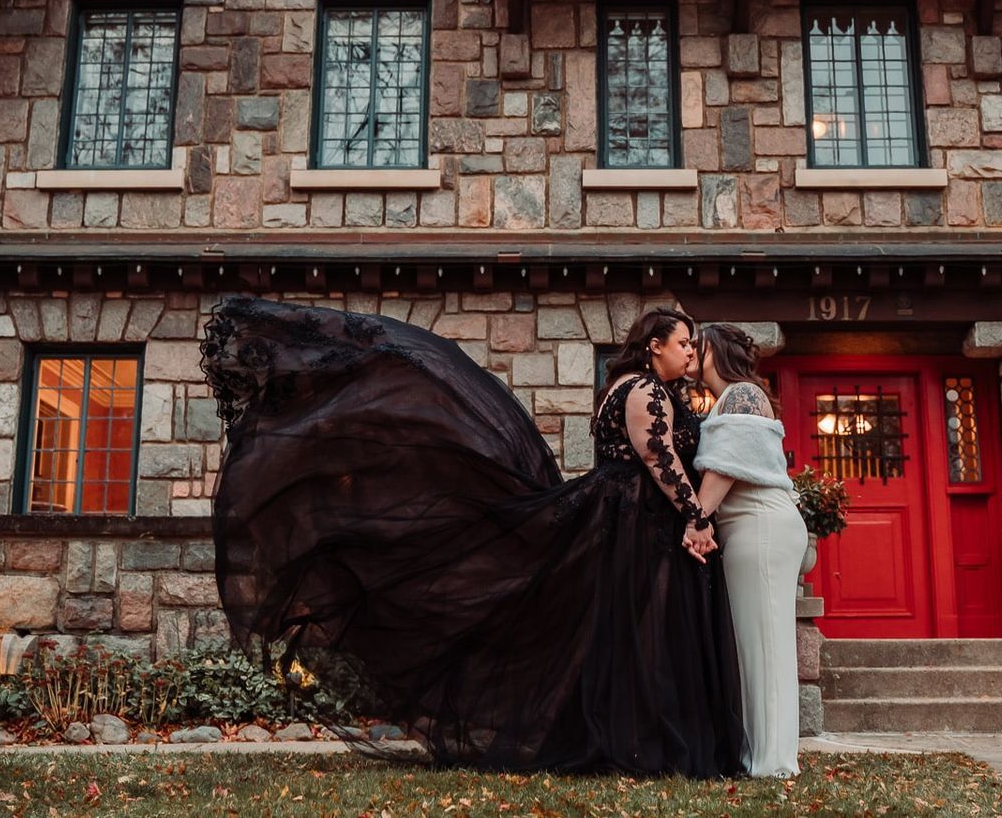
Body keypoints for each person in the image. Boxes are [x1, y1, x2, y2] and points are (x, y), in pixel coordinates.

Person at [201, 297, 745, 776]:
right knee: (638, 630)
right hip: (636, 520)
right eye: (683, 344)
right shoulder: (644, 390)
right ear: (654, 346)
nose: (691, 354)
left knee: (620, 633)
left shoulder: (628, 386)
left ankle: (635, 738)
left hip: (625, 517)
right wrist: (697, 517)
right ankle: (644, 742)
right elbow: (660, 461)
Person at [688, 323, 805, 778]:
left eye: (697, 343)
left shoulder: (741, 395)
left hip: (761, 525)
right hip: (748, 529)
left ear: (716, 351)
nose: (690, 350)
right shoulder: (727, 399)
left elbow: (726, 464)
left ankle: (772, 762)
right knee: (752, 646)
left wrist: (696, 520)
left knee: (765, 645)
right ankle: (756, 750)